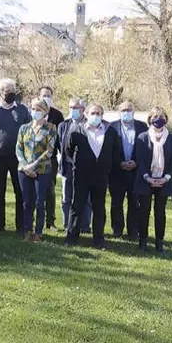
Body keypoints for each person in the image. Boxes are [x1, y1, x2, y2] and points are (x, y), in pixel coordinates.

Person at [64, 103, 121, 249]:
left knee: (99, 207)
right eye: (93, 113)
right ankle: (71, 238)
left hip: (101, 176)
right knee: (77, 206)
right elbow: (68, 150)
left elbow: (116, 152)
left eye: (99, 113)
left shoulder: (110, 132)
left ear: (102, 116)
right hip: (81, 175)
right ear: (87, 114)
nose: (96, 116)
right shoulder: (77, 129)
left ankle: (98, 240)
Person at [0, 78, 31, 235]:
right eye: (5, 90)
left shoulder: (23, 111)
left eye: (11, 90)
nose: (9, 93)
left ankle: (21, 226)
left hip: (19, 159)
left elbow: (30, 134)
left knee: (21, 192)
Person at [134, 107, 172, 253]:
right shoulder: (142, 137)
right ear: (150, 119)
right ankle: (143, 241)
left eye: (161, 117)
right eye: (155, 117)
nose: (158, 120)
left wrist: (165, 178)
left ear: (165, 119)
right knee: (143, 211)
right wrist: (147, 177)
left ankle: (159, 242)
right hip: (145, 179)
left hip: (164, 181)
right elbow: (139, 160)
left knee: (160, 212)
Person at [16, 98, 57, 242]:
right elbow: (19, 148)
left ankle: (38, 232)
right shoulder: (24, 128)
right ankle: (28, 230)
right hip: (24, 170)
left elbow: (49, 151)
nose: (35, 112)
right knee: (27, 202)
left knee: (40, 202)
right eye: (33, 108)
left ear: (45, 111)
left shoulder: (51, 128)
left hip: (42, 170)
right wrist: (25, 165)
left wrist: (33, 165)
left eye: (39, 109)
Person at [109, 101, 147, 239]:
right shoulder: (112, 127)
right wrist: (119, 163)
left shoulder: (142, 127)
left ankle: (133, 230)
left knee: (134, 202)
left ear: (134, 111)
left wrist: (136, 162)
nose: (126, 112)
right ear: (119, 112)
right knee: (116, 202)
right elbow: (109, 150)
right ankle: (117, 229)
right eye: (123, 110)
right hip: (117, 172)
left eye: (129, 109)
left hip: (135, 172)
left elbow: (145, 148)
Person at [57, 97, 91, 232]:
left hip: (85, 169)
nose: (73, 110)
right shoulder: (63, 125)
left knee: (86, 199)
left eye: (76, 108)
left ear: (83, 109)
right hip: (67, 167)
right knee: (66, 198)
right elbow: (61, 146)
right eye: (70, 107)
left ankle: (85, 226)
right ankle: (68, 225)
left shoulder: (89, 125)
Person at [38, 86, 64, 229]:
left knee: (50, 190)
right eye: (43, 95)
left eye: (48, 95)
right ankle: (34, 221)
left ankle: (50, 221)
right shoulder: (33, 113)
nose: (46, 97)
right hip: (32, 159)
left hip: (50, 159)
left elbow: (61, 138)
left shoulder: (57, 115)